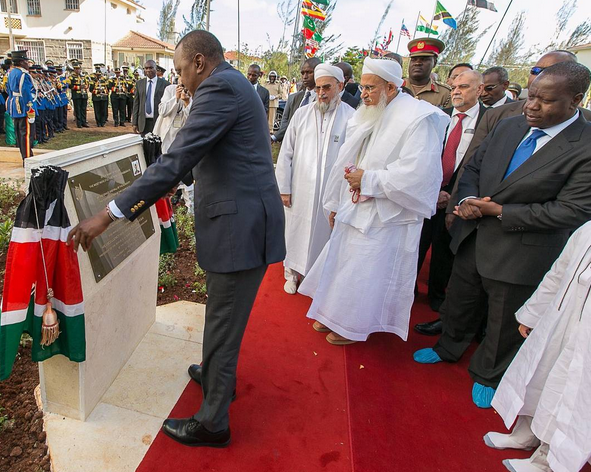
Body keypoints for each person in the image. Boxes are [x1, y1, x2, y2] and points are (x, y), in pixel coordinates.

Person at [66, 30, 285, 448]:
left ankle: (213, 423)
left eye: (182, 70)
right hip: (241, 220)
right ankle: (218, 373)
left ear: (200, 62)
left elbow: (180, 156)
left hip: (240, 230)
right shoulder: (231, 82)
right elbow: (204, 154)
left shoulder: (219, 87)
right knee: (223, 316)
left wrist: (110, 214)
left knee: (223, 320)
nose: (180, 80)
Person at [413, 62, 591, 410]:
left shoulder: (585, 145)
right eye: (532, 95)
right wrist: (465, 200)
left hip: (522, 252)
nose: (532, 106)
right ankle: (448, 347)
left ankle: (489, 374)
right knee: (461, 300)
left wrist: (501, 212)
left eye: (546, 101)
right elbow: (474, 167)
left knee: (503, 319)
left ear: (576, 101)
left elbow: (573, 210)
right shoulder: (510, 125)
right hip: (474, 238)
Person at [298, 57, 450, 345]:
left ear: (391, 88)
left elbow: (419, 175)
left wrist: (368, 180)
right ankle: (333, 314)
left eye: (370, 88)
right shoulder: (367, 113)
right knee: (344, 262)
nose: (363, 94)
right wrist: (335, 202)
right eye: (363, 87)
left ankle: (353, 326)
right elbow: (346, 159)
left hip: (387, 215)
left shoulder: (418, 118)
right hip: (354, 205)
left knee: (366, 270)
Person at [484, 222, 591, 472]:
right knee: (539, 376)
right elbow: (559, 271)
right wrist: (533, 313)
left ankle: (549, 460)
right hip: (560, 318)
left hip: (585, 336)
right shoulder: (587, 228)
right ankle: (526, 435)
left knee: (568, 392)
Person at [275, 64, 355, 294]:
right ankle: (291, 273)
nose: (321, 93)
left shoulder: (351, 117)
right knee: (295, 230)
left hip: (330, 193)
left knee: (324, 235)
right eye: (319, 88)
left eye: (327, 87)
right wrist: (284, 187)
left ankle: (316, 277)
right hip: (300, 188)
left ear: (340, 86)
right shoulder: (302, 114)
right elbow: (286, 153)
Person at [417, 70, 487, 313]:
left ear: (479, 90)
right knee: (417, 245)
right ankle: (408, 291)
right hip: (428, 194)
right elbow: (422, 157)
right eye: (454, 86)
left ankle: (437, 297)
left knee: (444, 252)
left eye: (464, 87)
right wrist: (430, 190)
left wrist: (455, 197)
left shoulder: (489, 122)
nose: (456, 91)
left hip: (460, 199)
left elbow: (482, 166)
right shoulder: (438, 118)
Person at [272, 57, 321, 142]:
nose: (305, 76)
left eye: (309, 72)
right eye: (302, 73)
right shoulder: (295, 97)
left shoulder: (323, 98)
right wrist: (274, 137)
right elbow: (287, 122)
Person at [403, 38, 451, 108]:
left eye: (424, 59)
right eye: (414, 59)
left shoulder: (445, 94)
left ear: (434, 63)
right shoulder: (395, 86)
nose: (417, 63)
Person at [6, 50, 35, 161]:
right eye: (26, 61)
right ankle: (28, 158)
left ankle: (25, 156)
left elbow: (9, 90)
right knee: (27, 134)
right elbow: (26, 92)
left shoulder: (11, 73)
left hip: (14, 105)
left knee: (20, 133)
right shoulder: (23, 74)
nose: (28, 64)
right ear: (21, 62)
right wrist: (30, 108)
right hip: (24, 106)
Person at [132, 60, 170, 136]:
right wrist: (134, 123)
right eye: (146, 68)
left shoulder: (165, 84)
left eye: (151, 68)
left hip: (159, 121)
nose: (148, 70)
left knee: (158, 146)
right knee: (144, 146)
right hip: (143, 122)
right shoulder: (139, 84)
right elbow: (136, 104)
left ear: (156, 68)